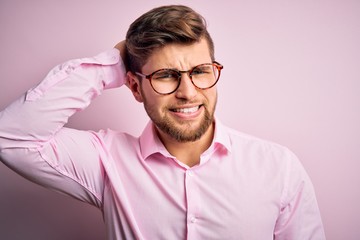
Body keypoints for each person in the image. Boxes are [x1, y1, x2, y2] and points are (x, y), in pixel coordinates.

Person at [0, 4, 325, 240]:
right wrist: (111, 63)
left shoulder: (278, 167)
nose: (188, 92)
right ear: (134, 86)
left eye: (200, 71)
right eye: (166, 75)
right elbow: (10, 137)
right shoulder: (106, 161)